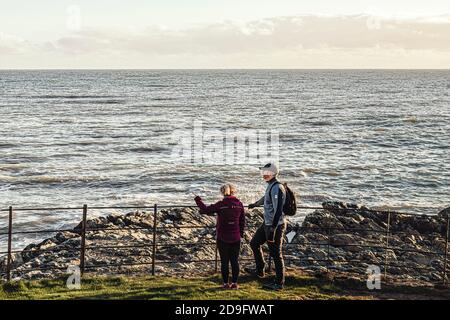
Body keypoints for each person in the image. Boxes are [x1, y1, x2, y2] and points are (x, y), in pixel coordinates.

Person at [194, 183, 245, 290]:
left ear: (222, 192)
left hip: (223, 237)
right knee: (235, 261)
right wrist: (241, 234)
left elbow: (206, 209)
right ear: (233, 192)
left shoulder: (221, 204)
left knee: (224, 261)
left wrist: (198, 200)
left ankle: (226, 283)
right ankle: (235, 283)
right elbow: (242, 222)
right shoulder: (239, 204)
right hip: (236, 237)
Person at [246, 162, 286, 291]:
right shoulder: (270, 186)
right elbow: (265, 198)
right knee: (254, 243)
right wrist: (255, 204)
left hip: (275, 226)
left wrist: (273, 229)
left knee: (276, 254)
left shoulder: (277, 188)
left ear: (273, 173)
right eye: (263, 172)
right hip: (267, 223)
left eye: (266, 173)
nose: (264, 175)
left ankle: (279, 283)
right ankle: (260, 270)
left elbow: (278, 210)